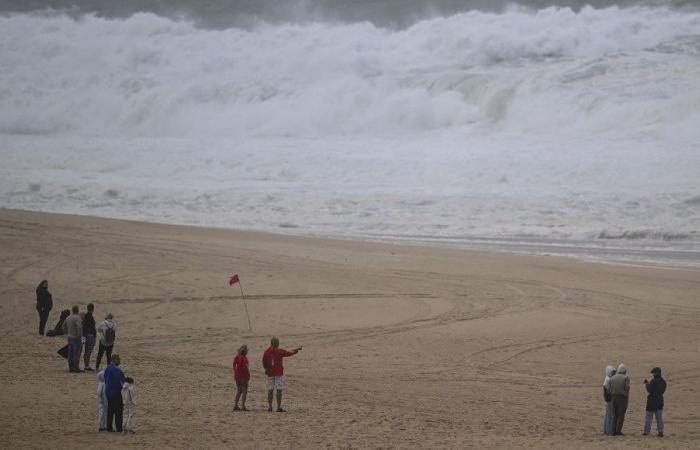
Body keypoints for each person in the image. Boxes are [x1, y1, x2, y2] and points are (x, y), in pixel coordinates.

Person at [262, 337, 302, 412]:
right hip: (278, 372)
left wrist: (267, 369)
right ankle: (278, 407)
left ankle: (270, 407)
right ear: (277, 344)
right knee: (278, 389)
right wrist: (297, 350)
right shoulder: (278, 351)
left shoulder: (266, 352)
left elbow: (264, 362)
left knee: (270, 389)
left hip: (270, 373)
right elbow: (289, 353)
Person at [104, 354, 125, 432]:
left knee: (110, 409)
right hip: (116, 392)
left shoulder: (107, 368)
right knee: (118, 411)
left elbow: (105, 378)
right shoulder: (117, 370)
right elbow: (119, 382)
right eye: (118, 360)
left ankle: (109, 427)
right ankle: (119, 428)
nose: (119, 361)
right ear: (115, 360)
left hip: (108, 391)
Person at [644, 367, 667, 437]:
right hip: (660, 400)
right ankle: (660, 431)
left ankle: (646, 432)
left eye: (653, 373)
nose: (653, 374)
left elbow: (650, 390)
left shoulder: (653, 381)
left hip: (651, 401)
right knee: (659, 418)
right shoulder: (663, 381)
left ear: (656, 373)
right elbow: (662, 391)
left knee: (648, 417)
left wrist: (647, 384)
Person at [609, 363, 630, 436]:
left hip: (613, 397)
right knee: (621, 415)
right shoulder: (625, 378)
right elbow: (627, 388)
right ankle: (618, 431)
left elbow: (609, 389)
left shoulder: (612, 377)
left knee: (614, 415)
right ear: (624, 371)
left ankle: (613, 430)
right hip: (622, 398)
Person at [62, 305, 83, 373]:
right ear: (77, 310)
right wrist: (79, 335)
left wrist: (66, 333)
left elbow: (63, 326)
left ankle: (71, 368)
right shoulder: (77, 318)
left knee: (70, 353)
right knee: (76, 353)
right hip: (76, 337)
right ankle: (76, 368)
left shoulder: (68, 317)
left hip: (70, 337)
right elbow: (79, 327)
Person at [233, 344, 250, 411]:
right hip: (244, 376)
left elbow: (234, 365)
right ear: (245, 352)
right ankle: (243, 406)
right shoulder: (245, 358)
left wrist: (235, 372)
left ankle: (236, 405)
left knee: (239, 391)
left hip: (237, 376)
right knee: (244, 391)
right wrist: (248, 375)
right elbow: (246, 368)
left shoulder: (236, 357)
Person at [83, 303, 97, 371]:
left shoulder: (85, 316)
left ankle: (86, 365)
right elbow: (92, 327)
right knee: (88, 351)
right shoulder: (90, 317)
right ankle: (86, 365)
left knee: (86, 351)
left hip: (86, 335)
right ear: (93, 309)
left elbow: (84, 326)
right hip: (90, 336)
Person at [603, 365, 616, 436]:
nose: (614, 373)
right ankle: (608, 431)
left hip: (608, 399)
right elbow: (609, 390)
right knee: (610, 415)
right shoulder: (608, 379)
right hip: (610, 399)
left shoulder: (607, 378)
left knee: (607, 415)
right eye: (613, 372)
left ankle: (606, 429)